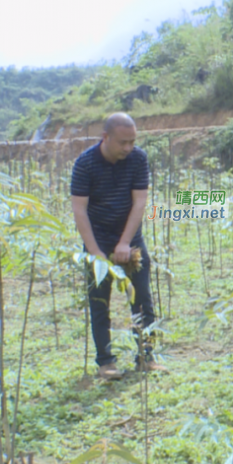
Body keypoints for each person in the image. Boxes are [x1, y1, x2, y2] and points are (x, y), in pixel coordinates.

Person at [70, 113, 166, 380]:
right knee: (100, 301)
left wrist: (125, 242)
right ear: (106, 138)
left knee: (142, 298)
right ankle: (106, 362)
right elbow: (80, 211)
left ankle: (146, 357)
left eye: (132, 142)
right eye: (123, 142)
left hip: (130, 237)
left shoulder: (138, 159)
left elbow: (139, 203)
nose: (128, 148)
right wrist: (97, 253)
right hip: (97, 238)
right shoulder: (85, 164)